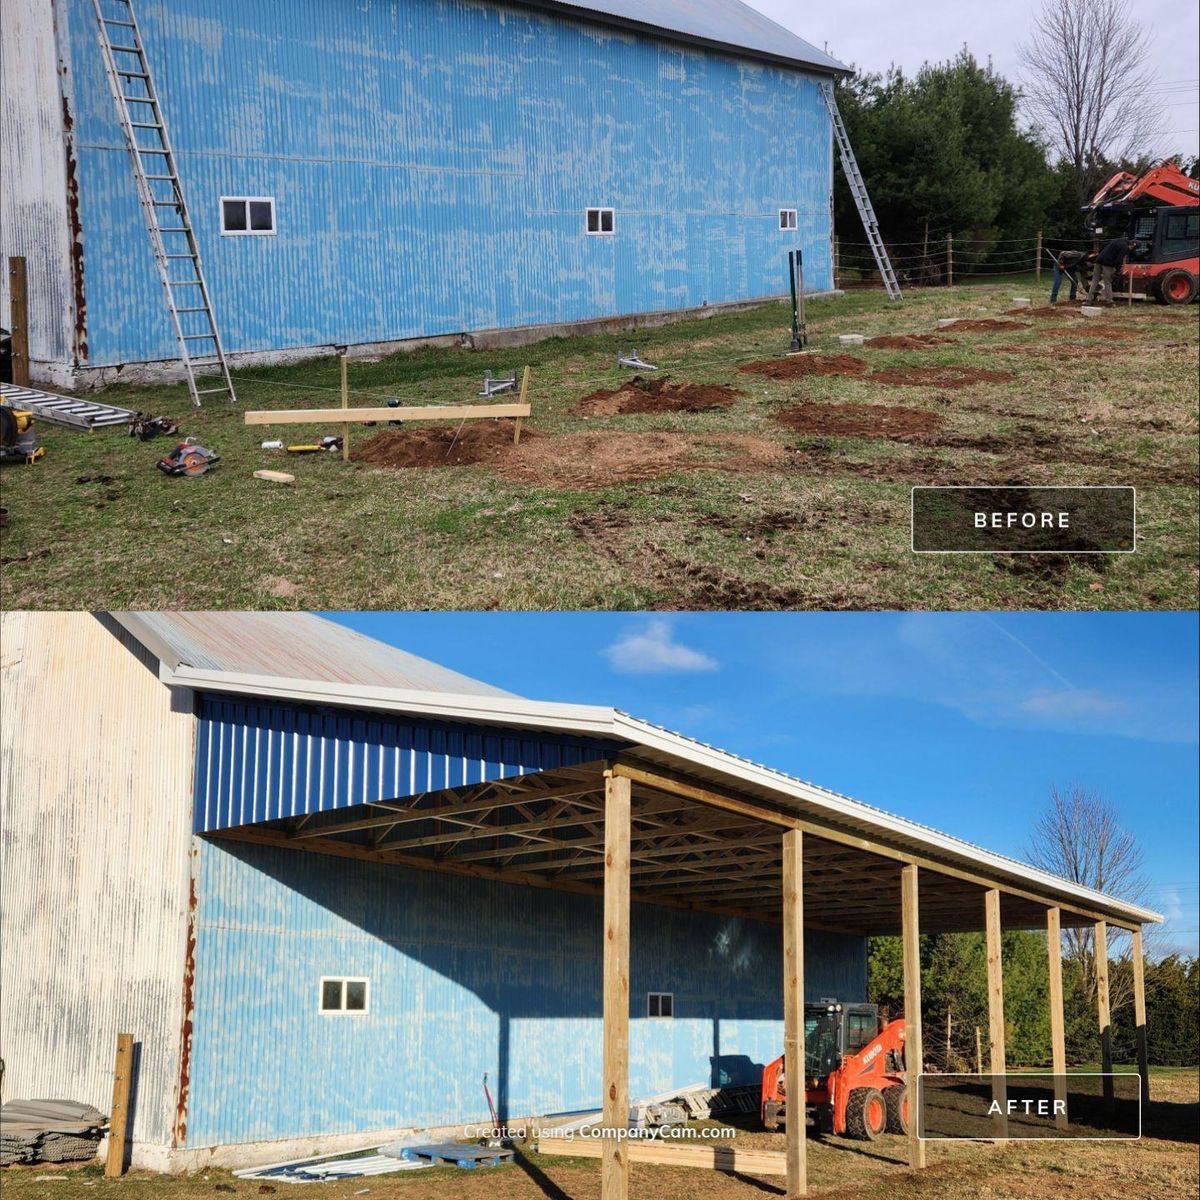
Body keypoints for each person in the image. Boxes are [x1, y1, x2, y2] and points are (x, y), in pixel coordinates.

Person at [1086, 237, 1138, 305]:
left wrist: (1100, 253)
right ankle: (1109, 301)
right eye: (1132, 249)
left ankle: (1089, 300)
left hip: (1099, 260)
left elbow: (1104, 245)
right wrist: (1117, 270)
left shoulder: (1118, 240)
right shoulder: (1125, 248)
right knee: (1107, 282)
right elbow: (1119, 260)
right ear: (1132, 246)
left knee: (1094, 281)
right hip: (1108, 264)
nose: (1130, 250)